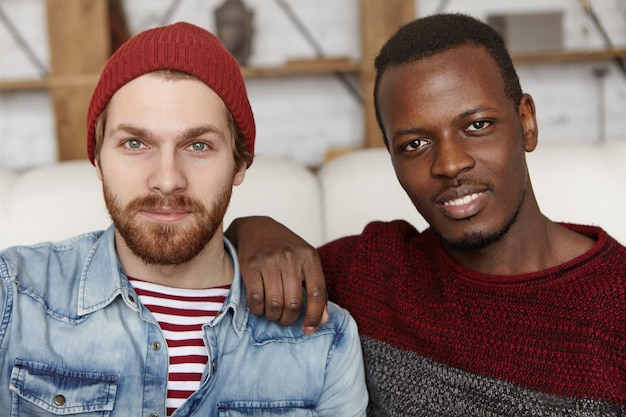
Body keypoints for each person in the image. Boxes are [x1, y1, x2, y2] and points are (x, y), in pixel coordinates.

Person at [228, 13, 626, 416]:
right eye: (415, 143)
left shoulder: (616, 302)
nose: (450, 165)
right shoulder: (372, 271)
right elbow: (226, 277)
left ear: (526, 122)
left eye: (477, 125)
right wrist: (251, 229)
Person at [0, 22, 367, 416]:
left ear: (240, 163)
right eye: (135, 143)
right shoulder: (13, 298)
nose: (167, 179)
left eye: (198, 145)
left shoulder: (324, 340)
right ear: (98, 159)